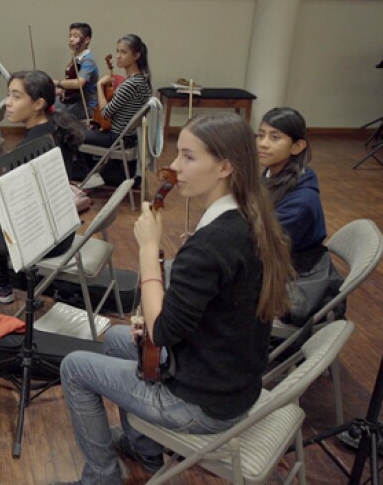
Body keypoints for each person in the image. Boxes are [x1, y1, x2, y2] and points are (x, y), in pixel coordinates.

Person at [56, 112, 293, 485]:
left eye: (188, 156)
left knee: (74, 367)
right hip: (233, 383)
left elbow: (164, 330)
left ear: (225, 167)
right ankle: (144, 448)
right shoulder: (250, 216)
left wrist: (149, 250)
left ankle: (100, 478)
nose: (174, 166)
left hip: (205, 405)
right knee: (119, 338)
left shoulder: (213, 244)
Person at [0, 70, 84, 303]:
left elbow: (8, 195)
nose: (7, 103)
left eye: (16, 97)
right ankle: (1, 284)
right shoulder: (53, 127)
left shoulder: (36, 143)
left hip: (41, 238)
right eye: (9, 95)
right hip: (58, 227)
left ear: (38, 103)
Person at [257, 107, 326, 271]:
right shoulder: (269, 173)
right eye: (260, 135)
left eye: (275, 137)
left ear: (297, 146)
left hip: (289, 272)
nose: (263, 144)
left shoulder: (301, 202)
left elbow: (263, 249)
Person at [84, 33, 152, 151]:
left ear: (136, 55)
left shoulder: (131, 84)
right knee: (77, 128)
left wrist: (100, 85)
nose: (118, 56)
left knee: (71, 134)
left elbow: (105, 112)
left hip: (118, 138)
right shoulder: (142, 79)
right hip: (128, 136)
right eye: (117, 51)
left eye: (123, 52)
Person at [54, 23, 99, 122]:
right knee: (47, 103)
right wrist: (60, 91)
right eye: (70, 36)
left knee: (55, 115)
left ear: (87, 40)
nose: (71, 39)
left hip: (86, 106)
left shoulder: (88, 60)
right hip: (74, 100)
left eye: (75, 36)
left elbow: (79, 83)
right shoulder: (76, 57)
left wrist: (56, 82)